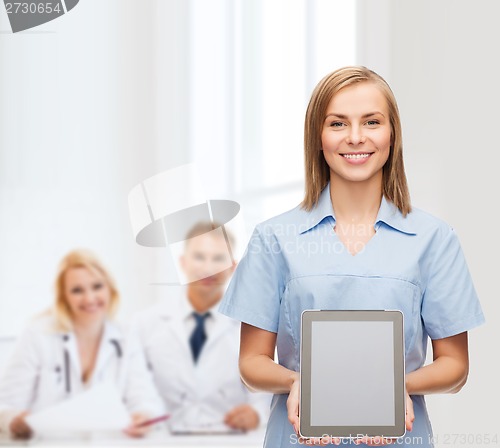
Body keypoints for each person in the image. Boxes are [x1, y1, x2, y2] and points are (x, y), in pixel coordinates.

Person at [218, 66, 485, 447]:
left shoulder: (435, 240)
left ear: (392, 134)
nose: (356, 137)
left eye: (372, 122)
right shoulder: (273, 238)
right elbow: (250, 364)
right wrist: (302, 384)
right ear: (318, 137)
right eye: (338, 124)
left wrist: (386, 394)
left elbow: (455, 368)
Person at [0, 249, 165, 439]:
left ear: (110, 289)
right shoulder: (38, 335)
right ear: (64, 297)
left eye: (97, 286)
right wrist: (15, 421)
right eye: (77, 290)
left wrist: (143, 416)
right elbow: (5, 405)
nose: (89, 298)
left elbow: (145, 398)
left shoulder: (126, 336)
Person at [133, 221, 270, 434]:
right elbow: (137, 386)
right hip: (163, 440)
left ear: (232, 266)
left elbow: (264, 394)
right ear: (183, 262)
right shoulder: (146, 324)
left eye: (218, 259)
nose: (208, 268)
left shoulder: (251, 325)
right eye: (199, 257)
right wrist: (142, 413)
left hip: (228, 441)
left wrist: (256, 415)